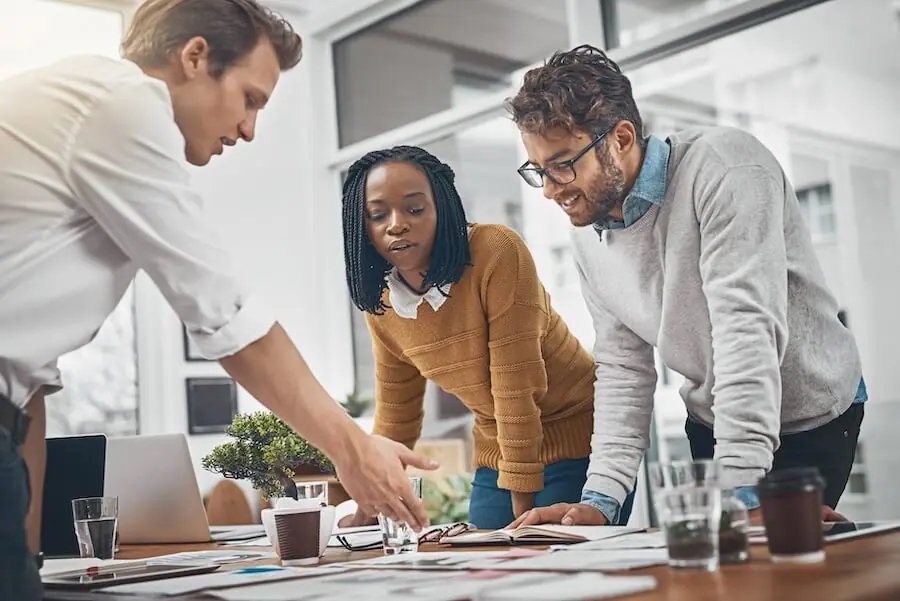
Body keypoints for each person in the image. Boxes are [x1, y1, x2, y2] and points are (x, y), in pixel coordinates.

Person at [0, 2, 435, 598]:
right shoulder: (123, 104)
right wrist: (352, 452)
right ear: (196, 57)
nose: (250, 128)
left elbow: (26, 382)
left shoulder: (82, 113)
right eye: (250, 98)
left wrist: (21, 562)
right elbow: (228, 320)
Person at [505, 45, 866, 528]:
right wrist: (599, 502)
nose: (550, 190)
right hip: (715, 419)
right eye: (538, 171)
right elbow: (622, 369)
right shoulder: (588, 234)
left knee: (781, 567)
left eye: (563, 164)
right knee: (721, 570)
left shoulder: (726, 169)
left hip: (810, 409)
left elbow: (744, 329)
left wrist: (739, 492)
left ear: (622, 137)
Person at [338, 145, 635, 530]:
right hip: (496, 450)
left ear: (441, 208)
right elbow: (397, 415)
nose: (397, 225)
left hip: (578, 440)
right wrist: (368, 503)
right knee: (486, 573)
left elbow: (515, 386)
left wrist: (520, 515)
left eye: (414, 209)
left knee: (550, 572)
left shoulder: (494, 252)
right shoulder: (384, 303)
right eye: (378, 215)